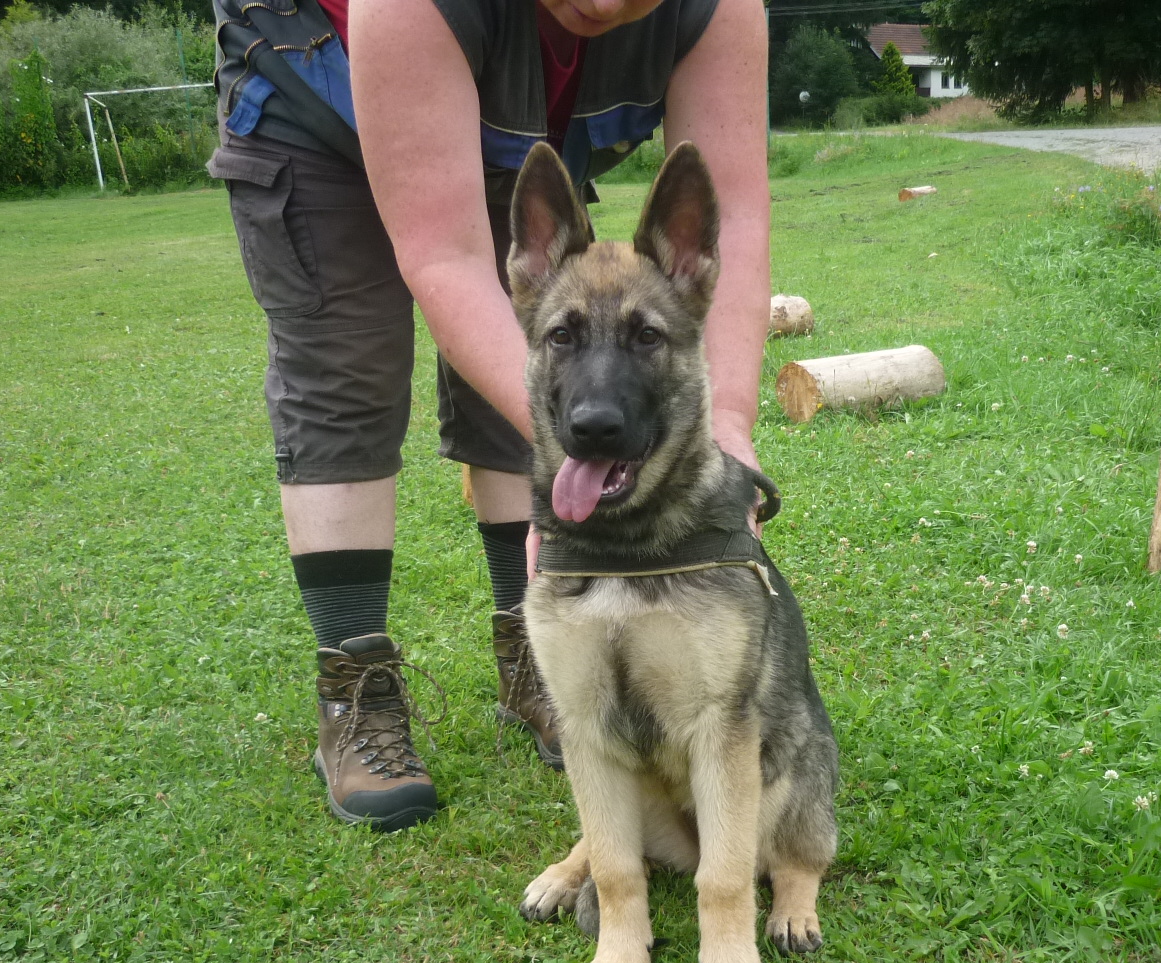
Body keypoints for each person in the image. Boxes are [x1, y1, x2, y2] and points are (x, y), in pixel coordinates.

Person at [209, 0, 770, 831]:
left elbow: (736, 220)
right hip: (318, 94)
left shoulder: (719, 7)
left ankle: (531, 657)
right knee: (345, 368)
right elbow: (444, 253)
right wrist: (565, 443)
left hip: (518, 120)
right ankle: (355, 683)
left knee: (541, 334)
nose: (603, 4)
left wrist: (725, 434)